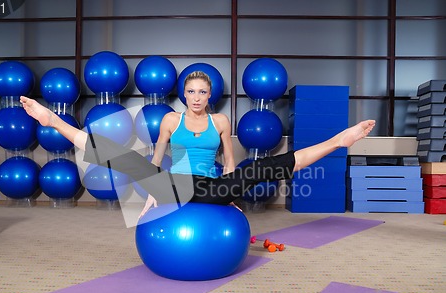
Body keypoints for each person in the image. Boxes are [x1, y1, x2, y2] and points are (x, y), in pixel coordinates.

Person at [20, 71, 375, 217]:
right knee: (125, 158)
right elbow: (156, 157)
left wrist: (232, 191)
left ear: (209, 95)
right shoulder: (171, 120)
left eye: (202, 92)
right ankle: (53, 119)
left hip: (213, 185)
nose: (196, 97)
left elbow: (232, 163)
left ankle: (339, 140)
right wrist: (152, 188)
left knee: (264, 167)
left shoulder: (219, 121)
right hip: (174, 183)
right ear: (184, 94)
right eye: (191, 92)